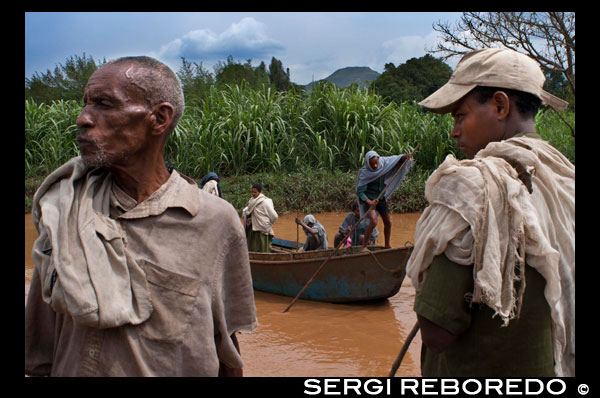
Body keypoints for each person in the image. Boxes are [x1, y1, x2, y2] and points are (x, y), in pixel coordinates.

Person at [24, 56, 257, 377]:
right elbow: (39, 356)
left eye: (104, 104)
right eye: (86, 104)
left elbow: (227, 352)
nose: (82, 119)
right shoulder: (63, 209)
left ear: (159, 118)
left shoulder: (215, 222)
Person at [406, 48, 574, 377]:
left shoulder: (474, 186)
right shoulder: (564, 179)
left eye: (459, 115)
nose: (454, 131)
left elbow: (437, 332)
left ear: (500, 105)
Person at [356, 150, 413, 252]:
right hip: (369, 199)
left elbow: (395, 160)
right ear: (368, 163)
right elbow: (360, 192)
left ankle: (387, 245)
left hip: (380, 198)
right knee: (373, 221)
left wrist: (405, 157)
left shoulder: (383, 164)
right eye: (372, 163)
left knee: (388, 222)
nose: (375, 166)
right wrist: (369, 202)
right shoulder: (364, 173)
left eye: (376, 162)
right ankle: (364, 247)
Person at [242, 183, 278, 252]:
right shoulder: (251, 201)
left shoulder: (264, 202)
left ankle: (263, 256)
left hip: (262, 228)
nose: (253, 194)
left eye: (255, 192)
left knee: (262, 246)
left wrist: (268, 223)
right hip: (253, 228)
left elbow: (274, 216)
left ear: (259, 192)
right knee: (252, 246)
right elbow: (249, 210)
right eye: (252, 192)